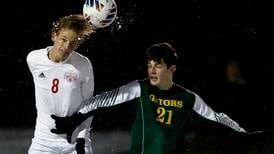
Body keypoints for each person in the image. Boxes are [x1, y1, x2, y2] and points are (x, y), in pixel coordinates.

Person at [51, 42, 250, 153]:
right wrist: (74, 118)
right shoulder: (140, 88)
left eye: (158, 65)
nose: (152, 70)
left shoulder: (188, 98)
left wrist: (244, 133)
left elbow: (216, 117)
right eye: (149, 65)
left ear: (172, 69)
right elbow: (101, 101)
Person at [26, 14, 95, 154]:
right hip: (43, 142)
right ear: (54, 35)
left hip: (74, 142)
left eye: (73, 43)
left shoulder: (83, 65)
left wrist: (81, 139)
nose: (67, 46)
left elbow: (89, 105)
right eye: (63, 40)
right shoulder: (33, 59)